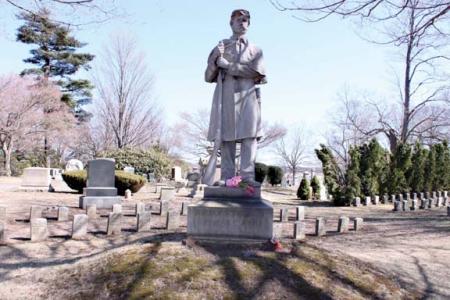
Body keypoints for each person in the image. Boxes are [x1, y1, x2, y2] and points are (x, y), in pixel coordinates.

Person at [204, 9, 266, 187]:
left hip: (247, 97)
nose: (242, 23)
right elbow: (208, 77)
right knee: (226, 138)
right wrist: (214, 59)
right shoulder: (221, 47)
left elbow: (257, 73)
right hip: (226, 98)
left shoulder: (255, 50)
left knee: (249, 137)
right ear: (231, 23)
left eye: (246, 20)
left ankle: (247, 178)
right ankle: (228, 177)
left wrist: (228, 66)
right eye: (239, 20)